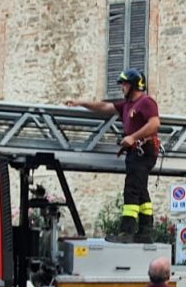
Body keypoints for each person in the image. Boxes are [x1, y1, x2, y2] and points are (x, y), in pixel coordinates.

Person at [66, 67, 160, 241]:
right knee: (141, 191)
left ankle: (127, 233)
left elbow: (154, 124)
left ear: (133, 85)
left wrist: (133, 137)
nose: (121, 87)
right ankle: (146, 231)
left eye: (124, 84)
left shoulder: (146, 102)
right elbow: (104, 106)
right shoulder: (126, 105)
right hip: (135, 152)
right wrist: (80, 102)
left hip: (143, 151)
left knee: (131, 190)